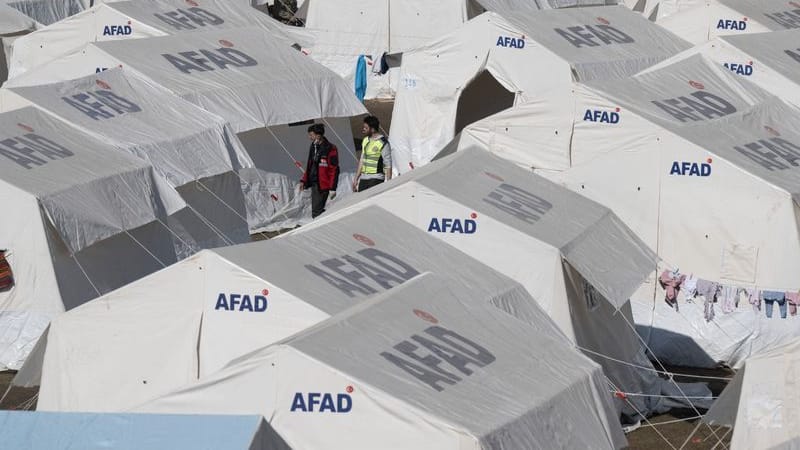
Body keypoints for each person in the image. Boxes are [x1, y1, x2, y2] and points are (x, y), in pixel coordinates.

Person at [299, 123, 339, 218]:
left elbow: (334, 169)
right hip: (314, 183)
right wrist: (304, 180)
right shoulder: (313, 146)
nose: (309, 137)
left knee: (316, 212)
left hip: (323, 184)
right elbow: (309, 165)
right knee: (318, 210)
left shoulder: (330, 148)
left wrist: (332, 188)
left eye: (311, 135)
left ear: (318, 135)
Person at [353, 115, 392, 192]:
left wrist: (389, 184)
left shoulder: (383, 143)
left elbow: (388, 165)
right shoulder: (365, 140)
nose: (363, 129)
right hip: (364, 178)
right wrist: (356, 179)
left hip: (376, 178)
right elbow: (362, 161)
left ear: (373, 129)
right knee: (361, 202)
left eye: (366, 128)